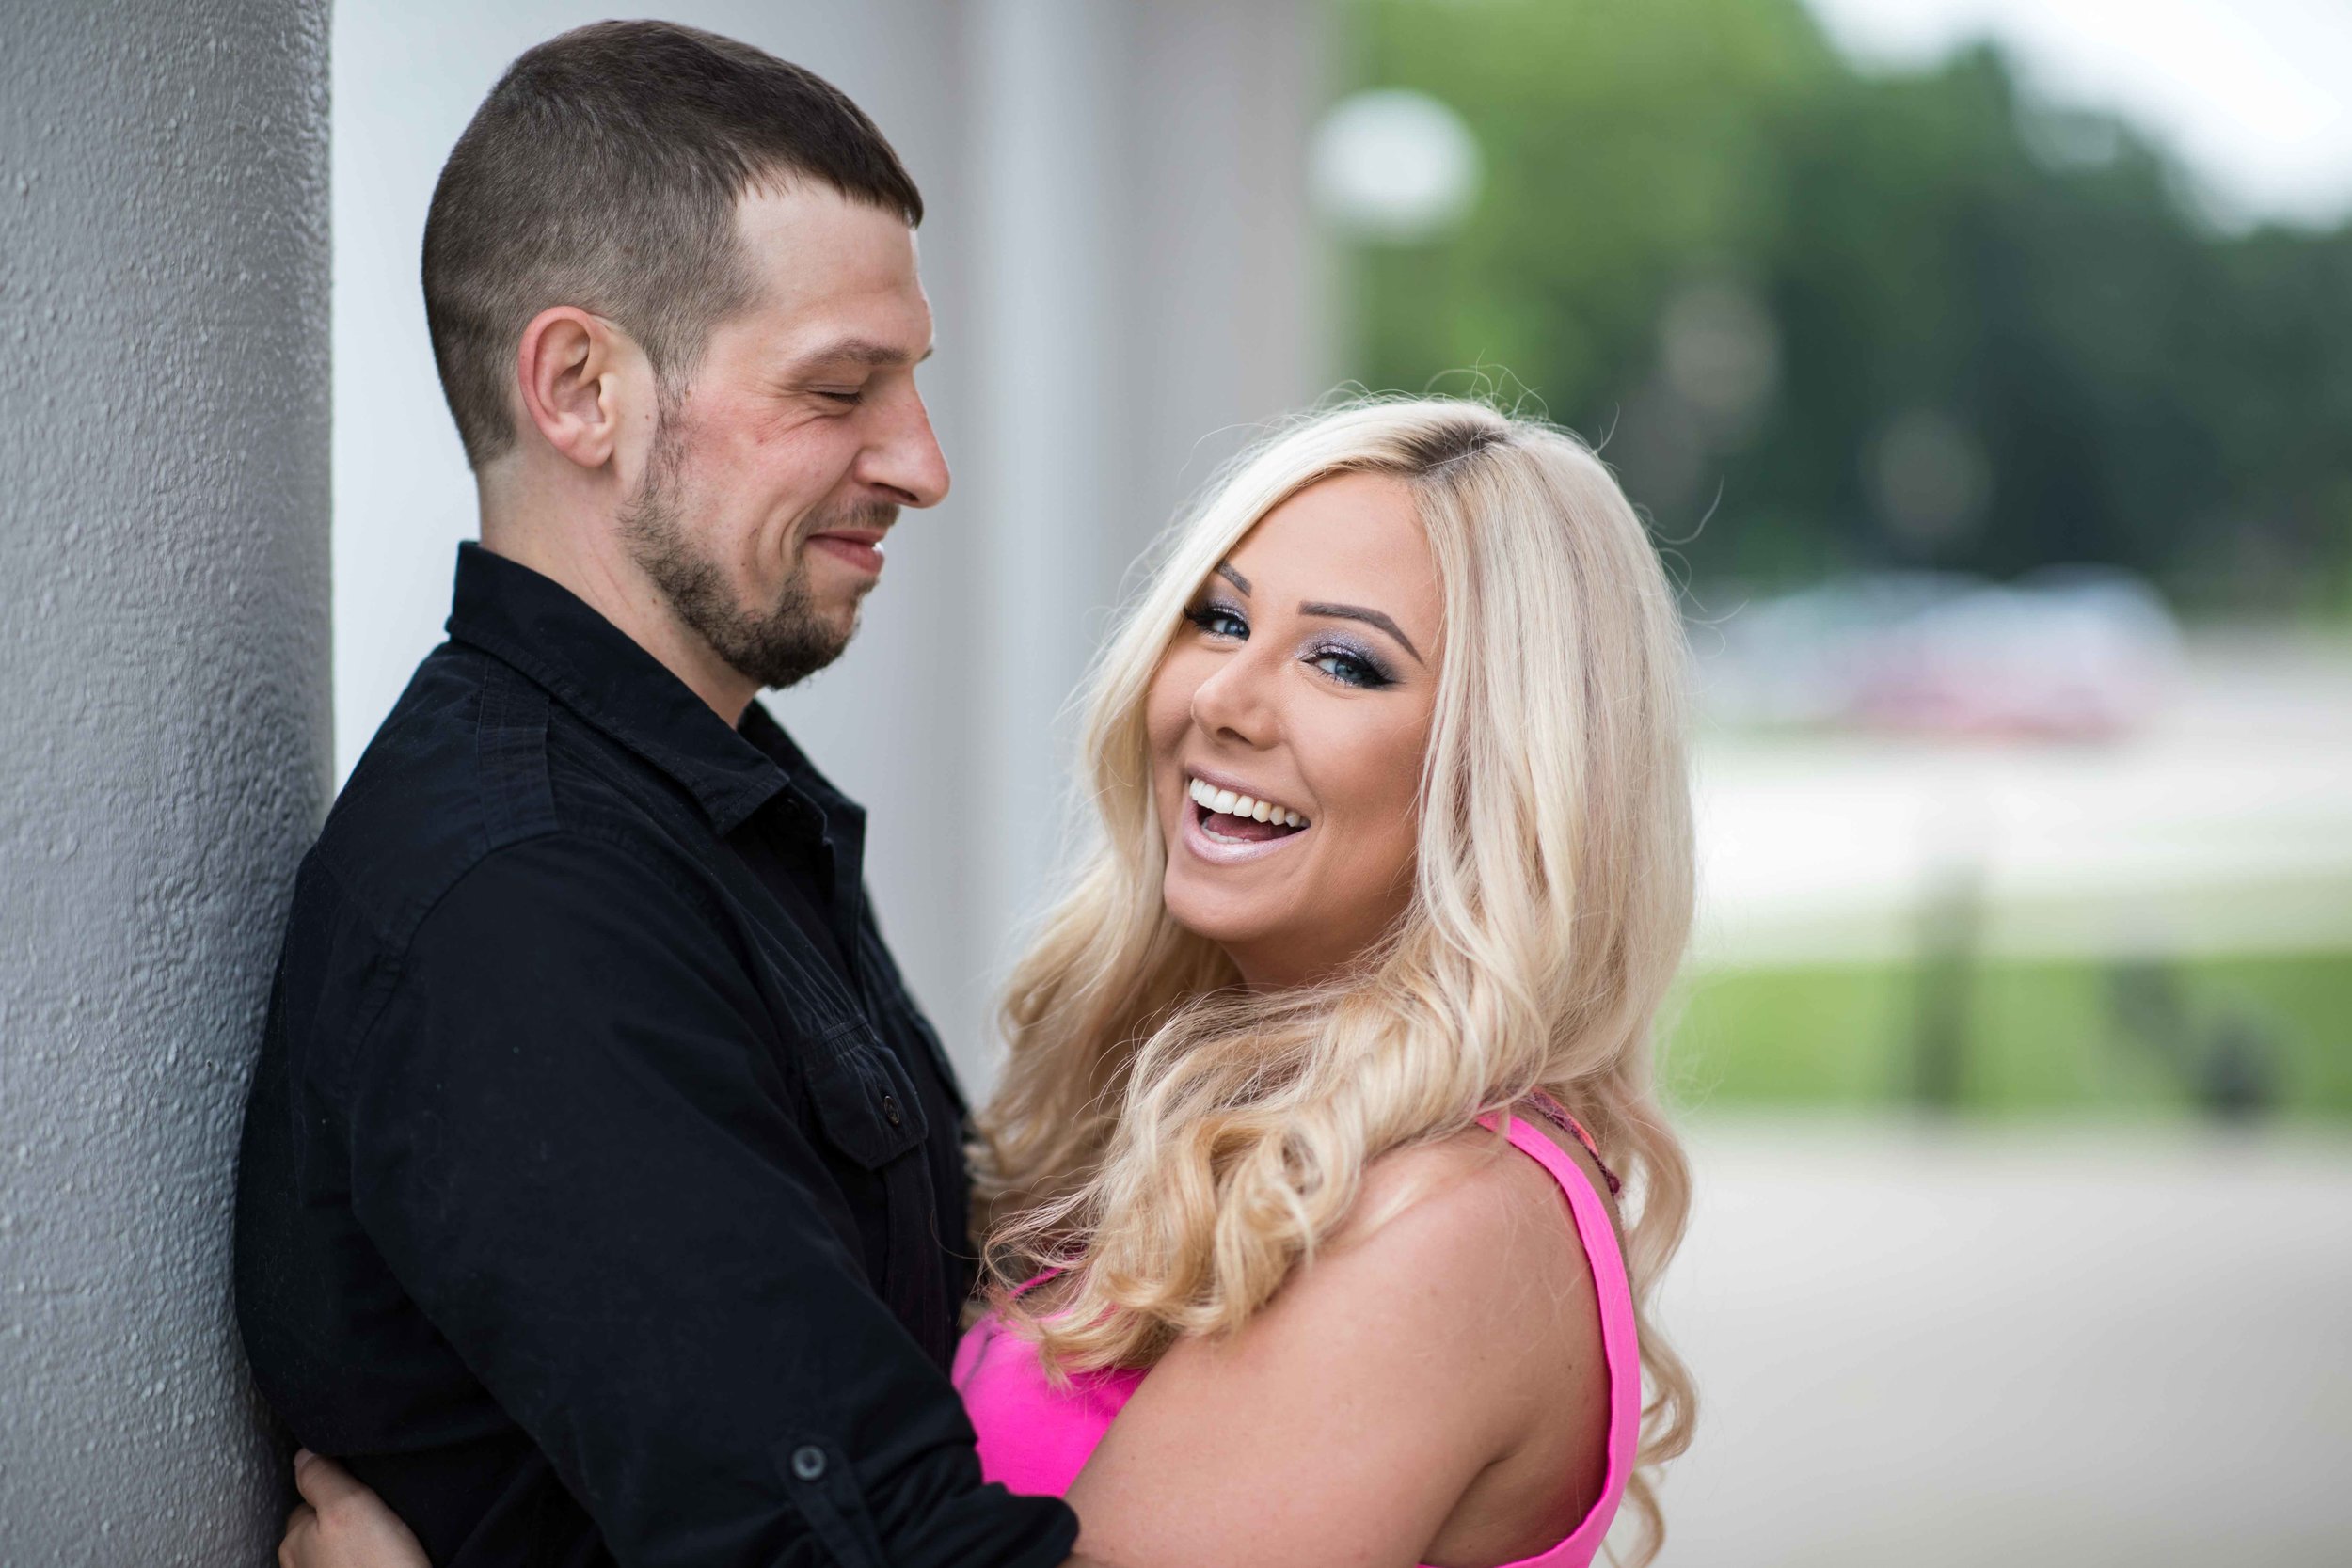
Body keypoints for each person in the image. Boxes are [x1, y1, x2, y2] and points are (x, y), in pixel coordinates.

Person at [277, 395, 1700, 1568]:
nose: (1224, 699)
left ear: (1510, 770)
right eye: (1216, 619)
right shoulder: (1239, 1131)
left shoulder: (1441, 1223)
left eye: (1342, 662)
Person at [235, 22, 1081, 1568]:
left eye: (913, 383)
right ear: (580, 387)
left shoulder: (701, 809)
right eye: (841, 388)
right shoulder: (533, 907)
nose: (924, 462)